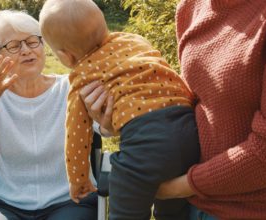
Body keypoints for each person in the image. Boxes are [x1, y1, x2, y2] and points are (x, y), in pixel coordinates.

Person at [81, 0, 266, 219]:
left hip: (252, 209)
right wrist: (125, 117)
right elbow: (193, 98)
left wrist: (179, 186)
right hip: (188, 204)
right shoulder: (191, 7)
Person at [39, 0, 200, 219]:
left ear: (66, 56)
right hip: (189, 130)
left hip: (145, 143)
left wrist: (79, 179)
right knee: (174, 210)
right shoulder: (134, 41)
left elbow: (77, 135)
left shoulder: (81, 77)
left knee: (126, 208)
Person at [0, 10, 97, 220]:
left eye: (32, 41)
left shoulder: (72, 88)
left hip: (70, 201)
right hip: (5, 204)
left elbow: (110, 130)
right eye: (13, 45)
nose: (26, 50)